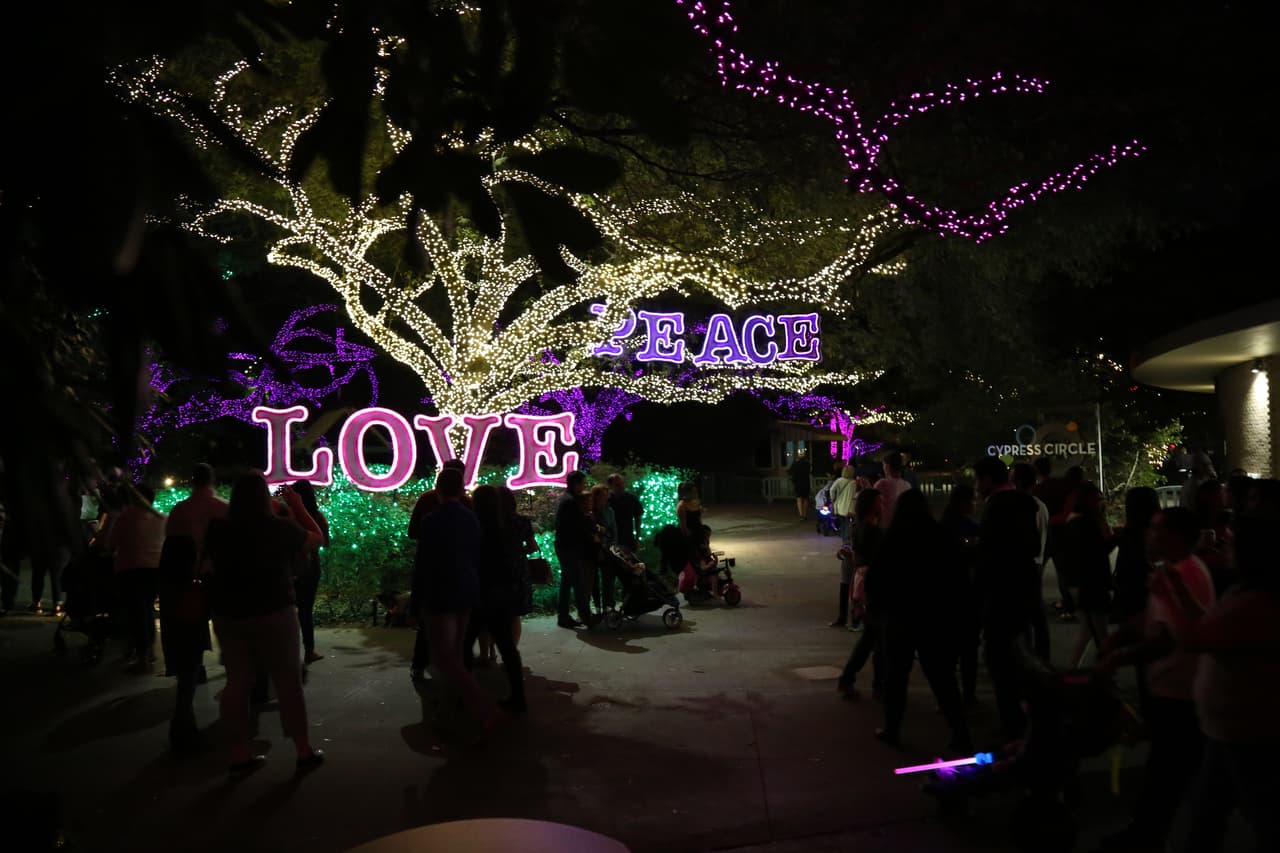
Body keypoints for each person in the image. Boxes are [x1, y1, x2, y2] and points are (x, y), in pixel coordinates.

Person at [1157, 492, 1280, 853]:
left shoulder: (1257, 602)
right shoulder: (1244, 590)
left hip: (1248, 730)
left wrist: (1170, 592)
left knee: (1262, 816)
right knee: (1209, 812)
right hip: (1228, 728)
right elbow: (1208, 625)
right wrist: (1177, 587)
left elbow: (1195, 639)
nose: (1225, 545)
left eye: (1233, 542)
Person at [1095, 506, 1215, 851]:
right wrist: (1121, 636)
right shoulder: (1171, 569)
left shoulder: (1184, 574)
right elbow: (1154, 617)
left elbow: (1168, 640)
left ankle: (1146, 838)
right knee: (1170, 774)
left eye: (1157, 528)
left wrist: (1117, 658)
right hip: (1169, 689)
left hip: (1179, 693)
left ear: (1176, 536)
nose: (1149, 534)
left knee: (1167, 775)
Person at [203, 474, 326, 774]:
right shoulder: (278, 528)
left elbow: (206, 563)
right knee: (288, 681)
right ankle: (303, 751)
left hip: (229, 612)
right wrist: (297, 506)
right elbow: (317, 538)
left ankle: (239, 753)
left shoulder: (218, 528)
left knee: (237, 682)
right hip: (274, 609)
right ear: (262, 497)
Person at [871, 489, 972, 753]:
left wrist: (880, 610)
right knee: (942, 678)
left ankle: (892, 729)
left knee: (897, 676)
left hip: (900, 617)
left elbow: (876, 579)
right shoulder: (940, 536)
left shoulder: (893, 539)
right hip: (934, 618)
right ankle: (960, 732)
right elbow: (959, 576)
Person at [410, 467, 501, 729]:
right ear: (461, 489)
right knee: (457, 654)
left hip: (440, 594)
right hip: (467, 590)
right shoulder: (471, 518)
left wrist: (415, 603)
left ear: (438, 490)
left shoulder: (432, 520)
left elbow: (423, 565)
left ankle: (484, 708)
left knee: (443, 658)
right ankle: (447, 710)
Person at [159, 463, 227, 754]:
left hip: (182, 587)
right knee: (228, 635)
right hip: (215, 582)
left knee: (187, 651)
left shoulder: (179, 511)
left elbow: (168, 548)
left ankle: (184, 717)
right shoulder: (222, 508)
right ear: (212, 480)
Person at [975, 456, 1041, 739]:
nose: (976, 486)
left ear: (988, 479)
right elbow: (1034, 545)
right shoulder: (1026, 503)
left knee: (1000, 659)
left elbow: (987, 554)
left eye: (978, 479)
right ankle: (1026, 717)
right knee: (1020, 655)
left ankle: (1011, 725)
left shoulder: (996, 506)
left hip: (1000, 593)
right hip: (1023, 589)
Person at [406, 459, 469, 679]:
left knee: (429, 624)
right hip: (460, 576)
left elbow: (412, 532)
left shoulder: (428, 502)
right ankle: (458, 673)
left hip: (434, 576)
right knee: (458, 631)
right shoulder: (467, 507)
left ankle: (422, 664)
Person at [471, 485, 528, 713]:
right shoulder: (505, 525)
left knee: (464, 643)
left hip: (480, 588)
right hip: (502, 587)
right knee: (507, 644)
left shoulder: (475, 525)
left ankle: (463, 696)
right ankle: (518, 696)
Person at [106, 483, 167, 670]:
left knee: (137, 613)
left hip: (131, 570)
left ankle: (143, 659)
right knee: (147, 610)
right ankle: (150, 652)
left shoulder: (125, 517)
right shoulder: (160, 517)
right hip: (156, 570)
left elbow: (110, 545)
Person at [1057, 483, 1113, 667]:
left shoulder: (1074, 521)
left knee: (1089, 630)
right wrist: (1115, 539)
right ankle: (1105, 669)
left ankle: (1074, 668)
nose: (1101, 503)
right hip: (1090, 582)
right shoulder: (1085, 523)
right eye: (1097, 499)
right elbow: (1096, 553)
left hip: (1079, 582)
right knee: (1100, 631)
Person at [837, 487, 884, 698]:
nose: (883, 506)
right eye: (880, 502)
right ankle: (875, 685)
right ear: (872, 506)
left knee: (871, 637)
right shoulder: (873, 531)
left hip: (862, 584)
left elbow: (857, 558)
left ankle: (851, 679)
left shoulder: (858, 527)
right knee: (876, 639)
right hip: (874, 587)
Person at [940, 483, 982, 706]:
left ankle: (947, 697)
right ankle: (968, 696)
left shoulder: (943, 525)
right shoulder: (971, 528)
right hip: (967, 595)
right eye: (973, 500)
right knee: (968, 651)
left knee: (948, 651)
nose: (976, 504)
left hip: (946, 596)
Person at [1011, 463, 1051, 660]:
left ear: (1017, 481)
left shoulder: (1020, 507)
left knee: (1024, 614)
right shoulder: (1041, 506)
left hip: (1025, 564)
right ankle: (1042, 656)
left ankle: (1030, 658)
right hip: (1038, 562)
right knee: (1036, 613)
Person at [290, 480, 330, 665]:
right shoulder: (317, 517)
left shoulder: (287, 515)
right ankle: (309, 650)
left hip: (290, 567)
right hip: (311, 568)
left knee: (288, 610)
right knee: (306, 610)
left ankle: (290, 651)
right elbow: (325, 541)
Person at [555, 471, 596, 629]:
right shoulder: (571, 502)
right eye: (583, 483)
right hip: (569, 547)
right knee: (578, 583)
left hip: (564, 546)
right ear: (576, 484)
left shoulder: (566, 499)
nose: (584, 487)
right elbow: (578, 525)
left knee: (567, 582)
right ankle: (586, 616)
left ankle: (563, 616)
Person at [497, 485, 536, 648]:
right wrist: (518, 552)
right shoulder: (521, 521)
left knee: (496, 611)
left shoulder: (491, 522)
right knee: (514, 614)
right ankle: (512, 649)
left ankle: (491, 650)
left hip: (496, 568)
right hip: (517, 570)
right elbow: (532, 546)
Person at [590, 484, 618, 611]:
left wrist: (613, 544)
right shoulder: (591, 511)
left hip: (607, 547)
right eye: (603, 495)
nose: (606, 498)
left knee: (608, 578)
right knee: (594, 579)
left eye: (606, 495)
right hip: (594, 547)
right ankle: (597, 605)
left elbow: (614, 529)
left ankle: (608, 604)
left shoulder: (609, 511)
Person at [607, 474, 643, 552]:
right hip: (610, 539)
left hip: (627, 539)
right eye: (617, 485)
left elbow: (638, 519)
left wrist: (637, 538)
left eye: (622, 484)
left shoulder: (631, 499)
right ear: (610, 486)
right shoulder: (606, 499)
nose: (621, 487)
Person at [875, 452, 912, 528]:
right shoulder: (907, 485)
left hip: (885, 528)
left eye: (883, 464)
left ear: (887, 466)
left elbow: (873, 505)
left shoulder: (882, 484)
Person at [789, 450, 811, 520]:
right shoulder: (807, 463)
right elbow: (810, 471)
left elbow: (791, 471)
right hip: (806, 483)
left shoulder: (795, 463)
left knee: (799, 499)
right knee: (805, 499)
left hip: (798, 483)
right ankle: (805, 515)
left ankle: (801, 515)